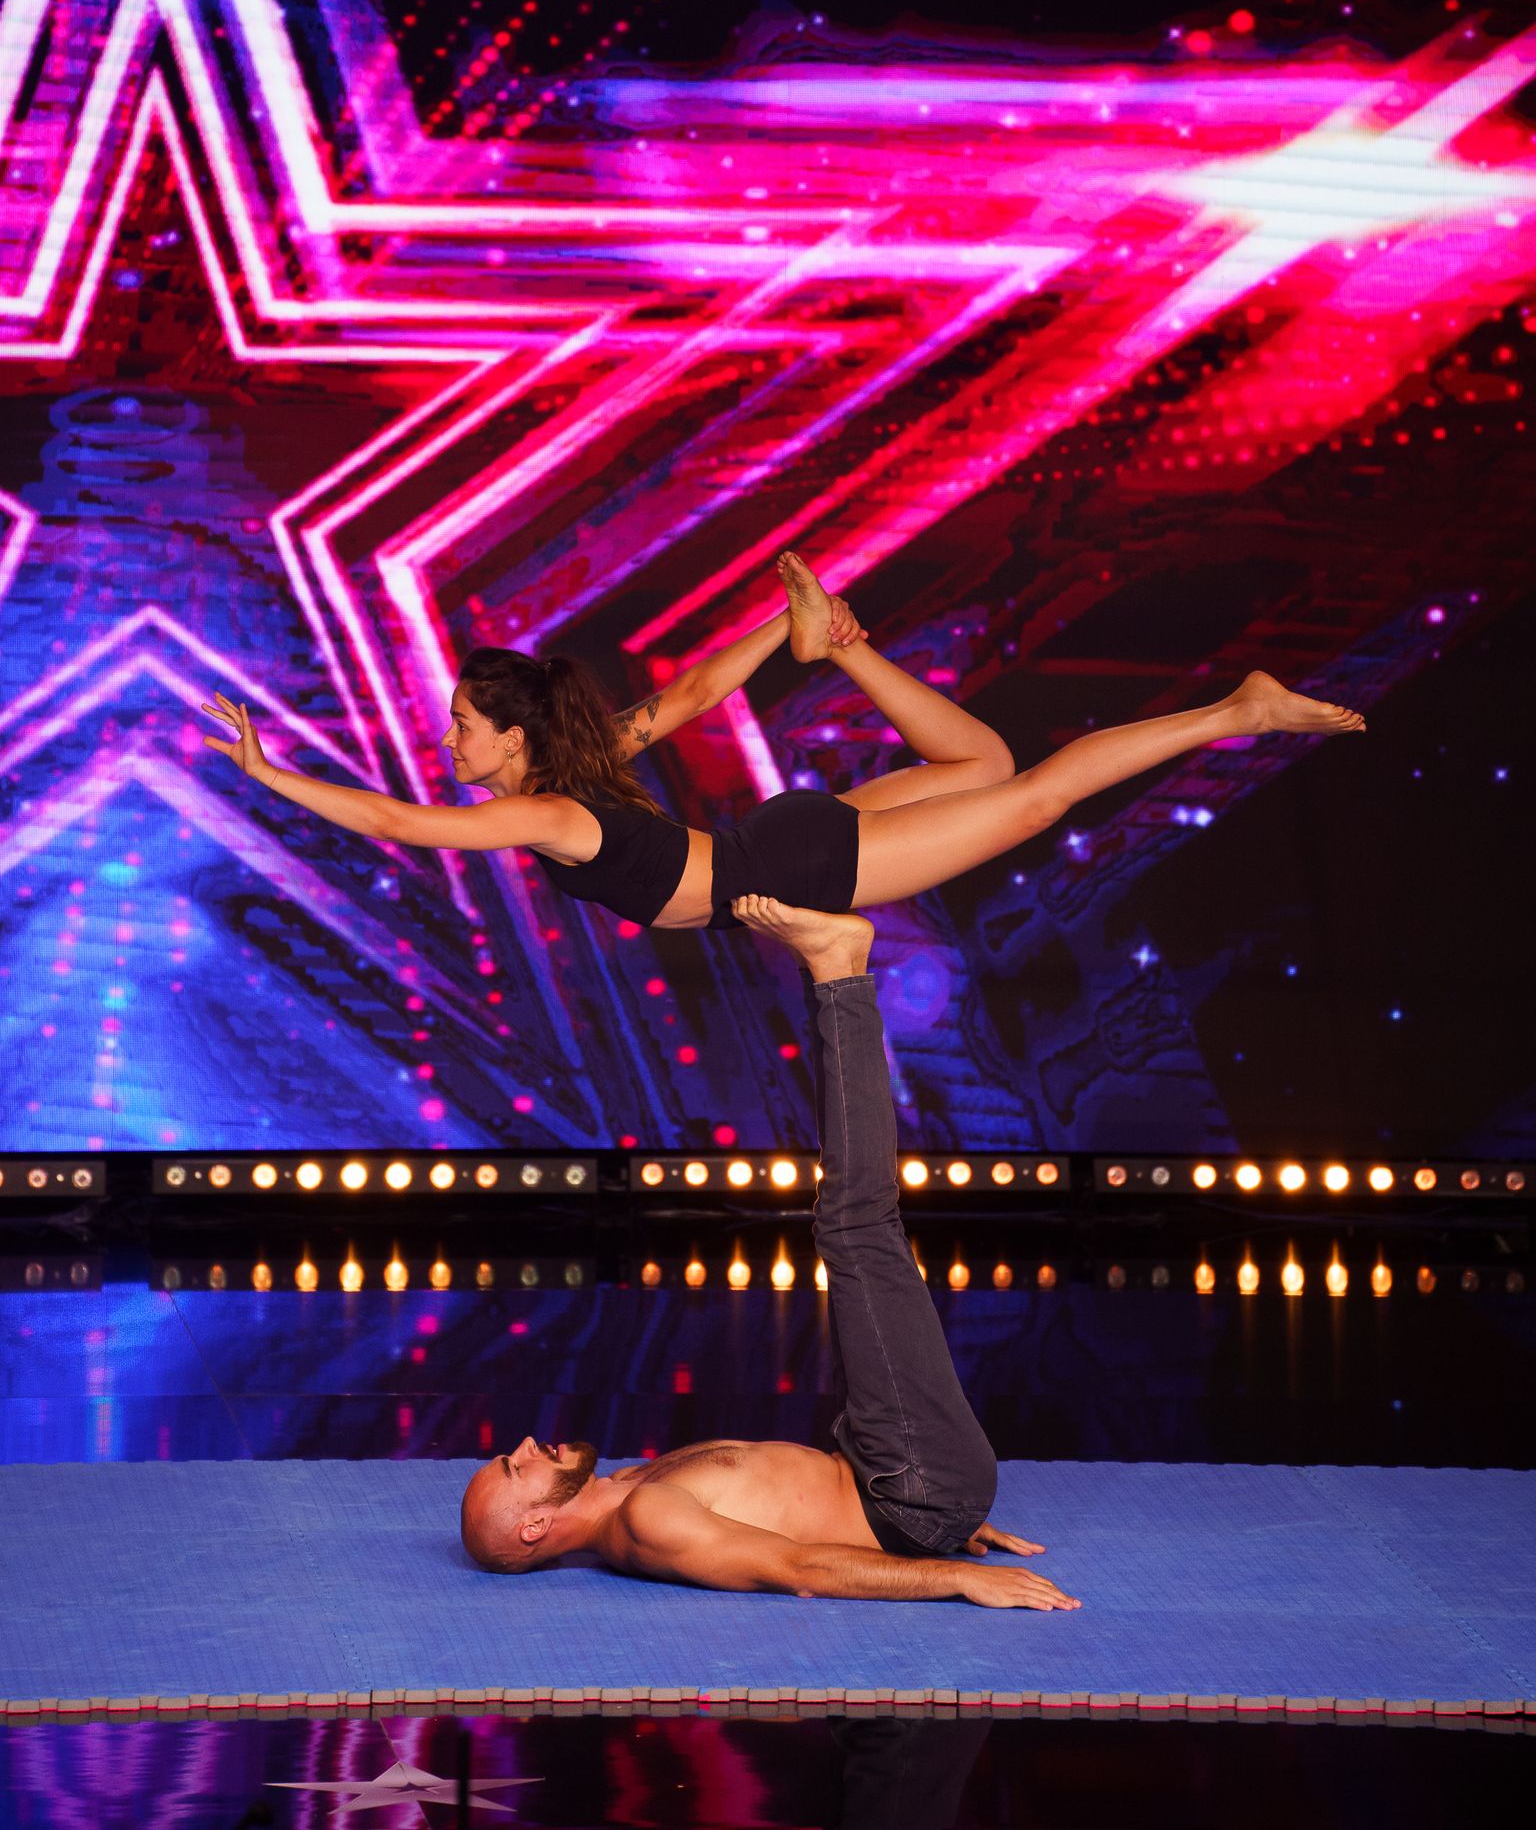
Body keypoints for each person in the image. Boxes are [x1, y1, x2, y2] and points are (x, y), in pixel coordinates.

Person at [459, 895, 1082, 1609]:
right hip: (912, 1487)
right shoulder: (648, 1523)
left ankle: (835, 974)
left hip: (899, 1482)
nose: (527, 1444)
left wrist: (947, 1524)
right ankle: (839, 972)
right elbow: (799, 1568)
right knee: (855, 1223)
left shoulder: (629, 1488)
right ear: (535, 1527)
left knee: (852, 1224)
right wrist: (955, 1573)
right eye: (516, 1468)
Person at [200, 551, 1363, 929]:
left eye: (464, 725)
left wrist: (266, 772)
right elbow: (702, 690)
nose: (449, 738)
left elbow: (399, 822)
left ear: (512, 739)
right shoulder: (590, 762)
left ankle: (1237, 712)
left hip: (794, 863)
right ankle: (838, 646)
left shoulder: (542, 809)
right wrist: (790, 626)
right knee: (988, 767)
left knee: (1035, 796)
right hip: (778, 840)